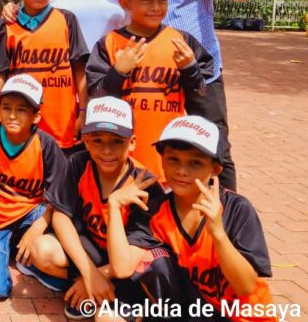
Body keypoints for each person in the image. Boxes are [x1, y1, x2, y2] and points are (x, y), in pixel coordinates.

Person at [124, 0, 254, 191]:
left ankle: (226, 225)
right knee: (156, 149)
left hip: (202, 70)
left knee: (215, 149)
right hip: (152, 76)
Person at [108, 116, 276, 322]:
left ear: (215, 168)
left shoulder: (237, 209)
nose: (181, 171)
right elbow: (122, 268)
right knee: (109, 315)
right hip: (194, 310)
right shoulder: (156, 209)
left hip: (243, 316)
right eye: (173, 159)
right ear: (161, 159)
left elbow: (246, 286)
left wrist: (218, 234)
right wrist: (114, 206)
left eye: (195, 162)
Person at [86, 0, 214, 179]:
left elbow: (202, 96)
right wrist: (118, 72)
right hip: (121, 162)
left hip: (167, 161)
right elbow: (96, 98)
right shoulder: (109, 43)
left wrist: (190, 69)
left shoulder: (182, 42)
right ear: (125, 3)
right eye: (145, 0)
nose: (155, 7)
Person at [42, 97, 164, 320]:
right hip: (96, 252)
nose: (107, 150)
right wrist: (89, 273)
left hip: (129, 267)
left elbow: (127, 264)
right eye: (97, 140)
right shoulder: (79, 163)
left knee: (106, 317)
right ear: (86, 141)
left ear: (133, 142)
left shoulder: (147, 186)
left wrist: (96, 275)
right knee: (43, 250)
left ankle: (100, 294)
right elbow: (60, 215)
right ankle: (89, 289)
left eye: (117, 141)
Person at [0, 75, 69, 300]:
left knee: (64, 223)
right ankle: (16, 254)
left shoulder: (45, 144)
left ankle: (31, 260)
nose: (12, 115)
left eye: (22, 109)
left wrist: (38, 226)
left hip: (31, 212)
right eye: (6, 107)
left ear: (36, 115)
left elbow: (61, 196)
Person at [6, 0, 90, 154]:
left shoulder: (66, 19)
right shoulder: (7, 26)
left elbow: (79, 70)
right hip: (19, 125)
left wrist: (83, 111)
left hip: (62, 123)